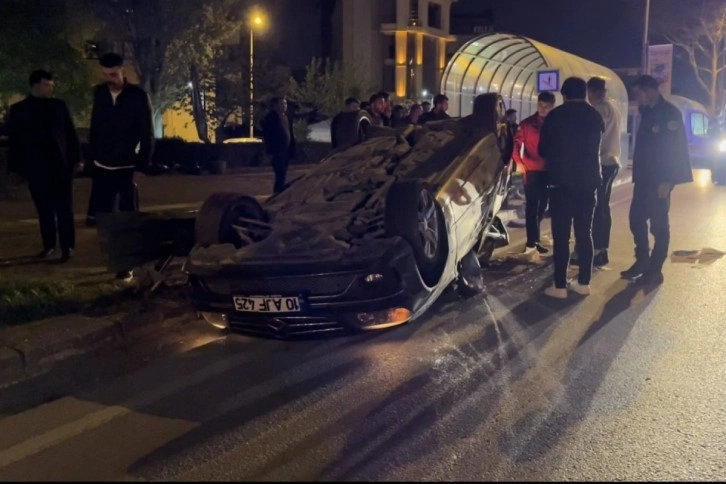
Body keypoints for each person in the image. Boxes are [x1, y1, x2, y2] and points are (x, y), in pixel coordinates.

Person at [621, 75, 692, 285]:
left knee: (658, 225)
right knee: (636, 219)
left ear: (649, 90)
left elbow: (675, 149)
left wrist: (668, 180)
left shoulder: (670, 113)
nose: (637, 98)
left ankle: (655, 267)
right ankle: (642, 259)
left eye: (639, 93)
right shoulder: (646, 112)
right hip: (643, 178)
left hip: (661, 180)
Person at [538, 77, 604, 299]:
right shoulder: (595, 115)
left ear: (564, 95)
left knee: (561, 237)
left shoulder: (555, 116)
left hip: (561, 184)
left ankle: (559, 286)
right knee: (584, 233)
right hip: (588, 183)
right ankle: (584, 283)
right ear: (584, 93)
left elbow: (542, 149)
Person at [7, 70, 80, 263]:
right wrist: (15, 169)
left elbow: (70, 134)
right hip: (36, 167)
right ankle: (49, 244)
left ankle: (67, 246)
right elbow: (14, 143)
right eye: (47, 85)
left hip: (60, 166)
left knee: (64, 208)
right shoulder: (19, 110)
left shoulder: (58, 106)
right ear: (36, 85)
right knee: (44, 208)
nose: (51, 88)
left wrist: (76, 159)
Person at [86, 53, 154, 228]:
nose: (109, 79)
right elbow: (95, 127)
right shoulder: (100, 93)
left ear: (122, 71)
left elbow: (146, 133)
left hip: (126, 165)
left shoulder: (138, 96)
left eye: (113, 75)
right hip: (102, 164)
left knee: (128, 215)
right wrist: (92, 158)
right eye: (105, 75)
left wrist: (141, 166)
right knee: (101, 215)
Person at [513, 91, 556, 256]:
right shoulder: (527, 124)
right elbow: (516, 144)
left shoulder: (556, 124)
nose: (542, 109)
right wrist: (519, 161)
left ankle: (535, 239)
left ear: (552, 107)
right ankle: (531, 242)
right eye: (540, 105)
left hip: (549, 169)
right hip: (531, 170)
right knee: (532, 205)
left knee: (543, 205)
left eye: (546, 106)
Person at [587, 76, 622, 267]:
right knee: (603, 206)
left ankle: (598, 250)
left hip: (601, 162)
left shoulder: (599, 110)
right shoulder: (613, 108)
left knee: (597, 207)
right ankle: (602, 249)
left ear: (592, 92)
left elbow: (594, 138)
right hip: (612, 162)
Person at [261, 96, 296, 194]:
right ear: (276, 105)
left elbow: (290, 133)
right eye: (281, 104)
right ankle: (277, 192)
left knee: (283, 173)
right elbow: (268, 135)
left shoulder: (286, 117)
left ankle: (280, 191)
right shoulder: (271, 118)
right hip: (277, 151)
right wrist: (270, 151)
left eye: (285, 104)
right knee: (279, 173)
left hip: (286, 150)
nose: (284, 106)